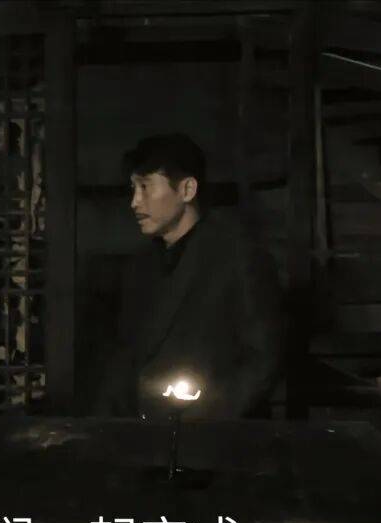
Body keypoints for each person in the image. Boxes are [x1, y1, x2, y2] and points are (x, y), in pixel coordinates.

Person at [95, 133, 284, 420]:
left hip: (216, 433)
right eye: (133, 189)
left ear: (187, 189)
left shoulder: (238, 258)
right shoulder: (139, 266)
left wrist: (204, 417)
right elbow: (125, 357)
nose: (135, 202)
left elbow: (263, 360)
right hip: (146, 433)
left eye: (145, 187)